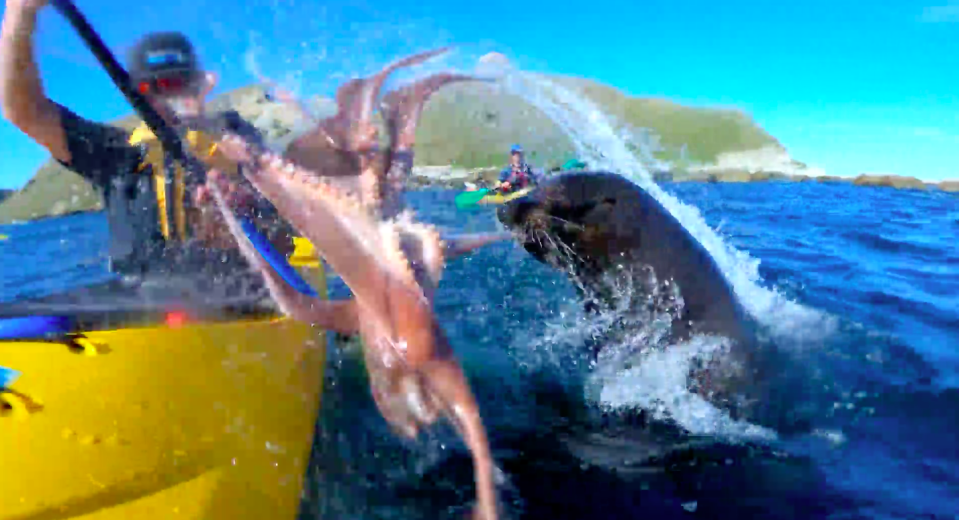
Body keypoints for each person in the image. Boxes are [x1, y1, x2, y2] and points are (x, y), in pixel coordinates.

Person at [0, 0, 291, 306]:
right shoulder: (116, 153)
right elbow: (23, 110)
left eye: (176, 84)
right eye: (153, 88)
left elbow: (285, 234)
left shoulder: (237, 141)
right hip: (143, 302)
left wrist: (237, 225)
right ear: (136, 93)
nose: (165, 98)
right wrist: (22, 11)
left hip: (243, 295)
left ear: (198, 85)